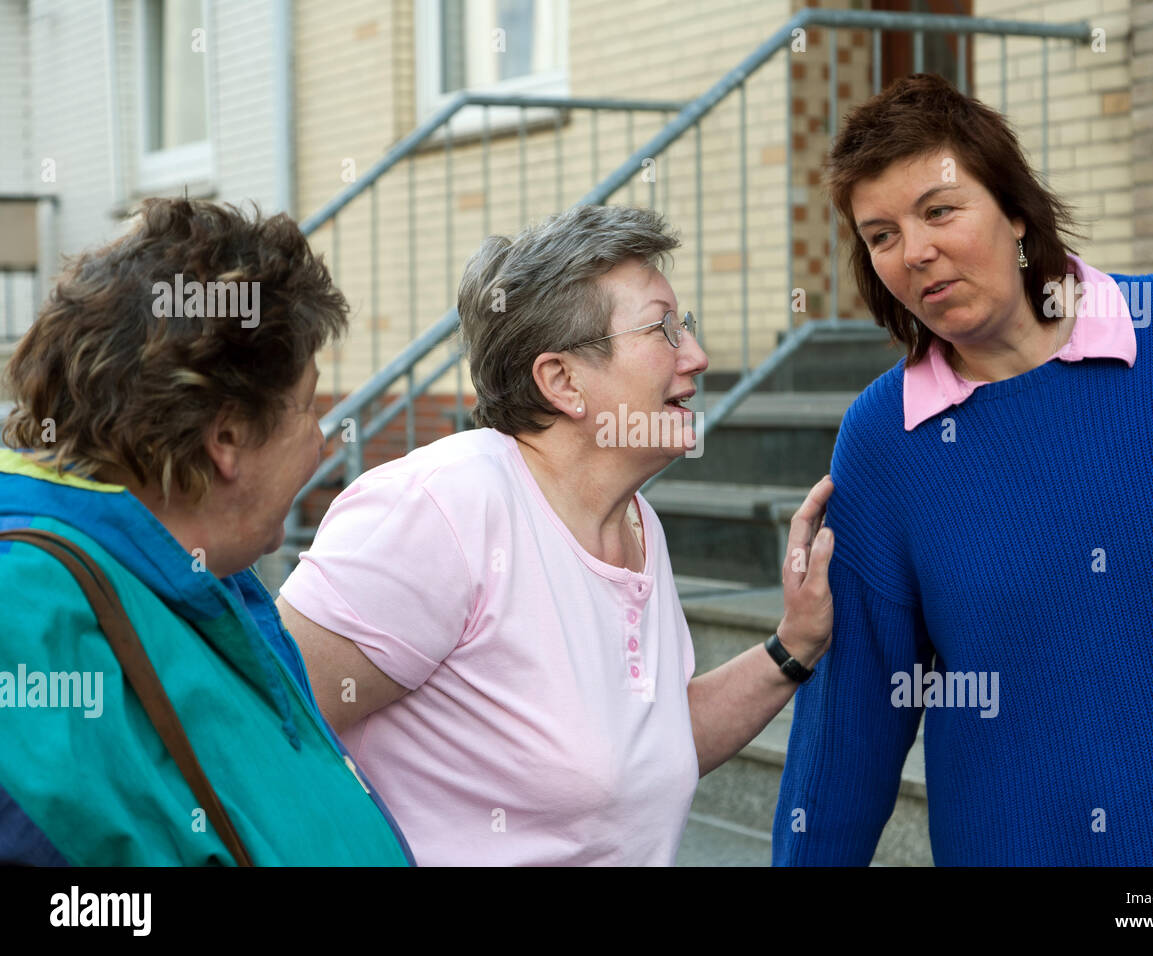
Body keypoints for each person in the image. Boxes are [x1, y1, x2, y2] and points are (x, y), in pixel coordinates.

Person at [773, 73, 1153, 866]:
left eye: (939, 211)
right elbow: (850, 729)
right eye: (880, 235)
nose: (914, 252)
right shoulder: (886, 439)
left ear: (1016, 211)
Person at [276, 203, 835, 865]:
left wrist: (794, 643)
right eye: (662, 329)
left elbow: (649, 748)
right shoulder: (445, 507)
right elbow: (265, 737)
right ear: (562, 380)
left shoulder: (633, 522)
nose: (697, 356)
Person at [0, 198, 413, 866]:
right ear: (227, 437)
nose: (319, 437)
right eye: (307, 405)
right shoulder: (25, 613)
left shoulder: (195, 577)